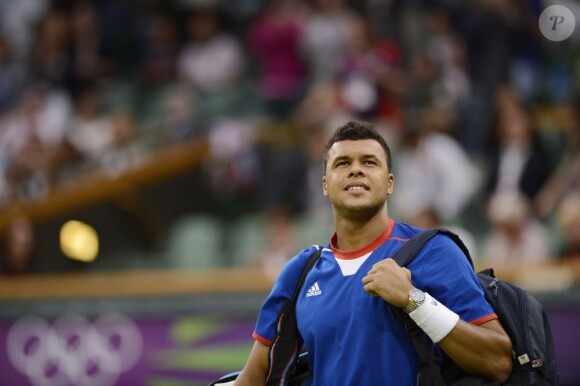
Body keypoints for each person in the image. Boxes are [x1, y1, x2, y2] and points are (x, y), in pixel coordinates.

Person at [234, 120, 512, 385]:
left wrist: (413, 300)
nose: (356, 170)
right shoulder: (301, 271)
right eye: (343, 163)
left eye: (369, 162)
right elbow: (254, 378)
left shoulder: (433, 251)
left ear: (390, 183)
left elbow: (498, 361)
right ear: (324, 185)